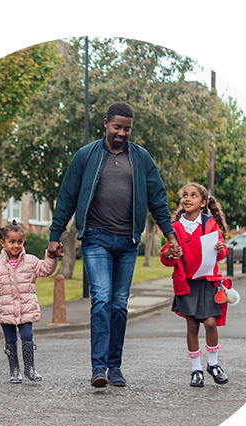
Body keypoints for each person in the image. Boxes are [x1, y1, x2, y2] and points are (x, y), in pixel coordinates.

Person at [48, 102, 180, 388]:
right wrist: (55, 234)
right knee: (102, 298)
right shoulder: (86, 155)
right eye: (117, 127)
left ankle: (114, 366)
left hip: (128, 241)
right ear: (106, 123)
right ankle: (98, 368)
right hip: (96, 238)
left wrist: (170, 234)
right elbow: (67, 196)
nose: (122, 133)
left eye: (127, 128)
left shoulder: (141, 158)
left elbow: (157, 199)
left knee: (119, 304)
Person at [160, 182, 231, 387]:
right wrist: (169, 254)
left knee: (210, 323)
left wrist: (221, 248)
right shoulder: (174, 228)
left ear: (202, 203)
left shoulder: (209, 224)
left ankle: (213, 364)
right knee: (192, 327)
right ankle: (196, 370)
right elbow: (166, 257)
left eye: (193, 195)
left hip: (207, 282)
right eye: (184, 195)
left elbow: (221, 253)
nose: (187, 199)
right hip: (186, 283)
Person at [0, 221, 58, 383]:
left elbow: (46, 269)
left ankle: (30, 369)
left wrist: (51, 256)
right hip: (6, 309)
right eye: (11, 242)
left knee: (27, 336)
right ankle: (14, 371)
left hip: (26, 307)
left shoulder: (31, 261)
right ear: (3, 243)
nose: (16, 245)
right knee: (10, 340)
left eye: (19, 241)